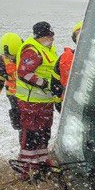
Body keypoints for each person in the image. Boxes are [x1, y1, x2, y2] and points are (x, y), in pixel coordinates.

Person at [15, 21, 62, 179]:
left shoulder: (48, 49)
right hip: (31, 102)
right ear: (41, 36)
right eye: (50, 35)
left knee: (44, 131)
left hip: (44, 101)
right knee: (31, 133)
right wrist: (44, 83)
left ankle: (41, 160)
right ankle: (26, 166)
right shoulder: (32, 50)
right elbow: (23, 72)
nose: (52, 38)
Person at [0, 32, 23, 131]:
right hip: (13, 95)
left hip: (31, 95)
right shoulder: (1, 61)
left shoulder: (29, 54)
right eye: (7, 56)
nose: (9, 59)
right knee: (19, 123)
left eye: (12, 56)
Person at [57, 21, 82, 92]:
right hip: (69, 98)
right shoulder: (66, 57)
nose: (80, 36)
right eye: (78, 33)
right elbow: (56, 78)